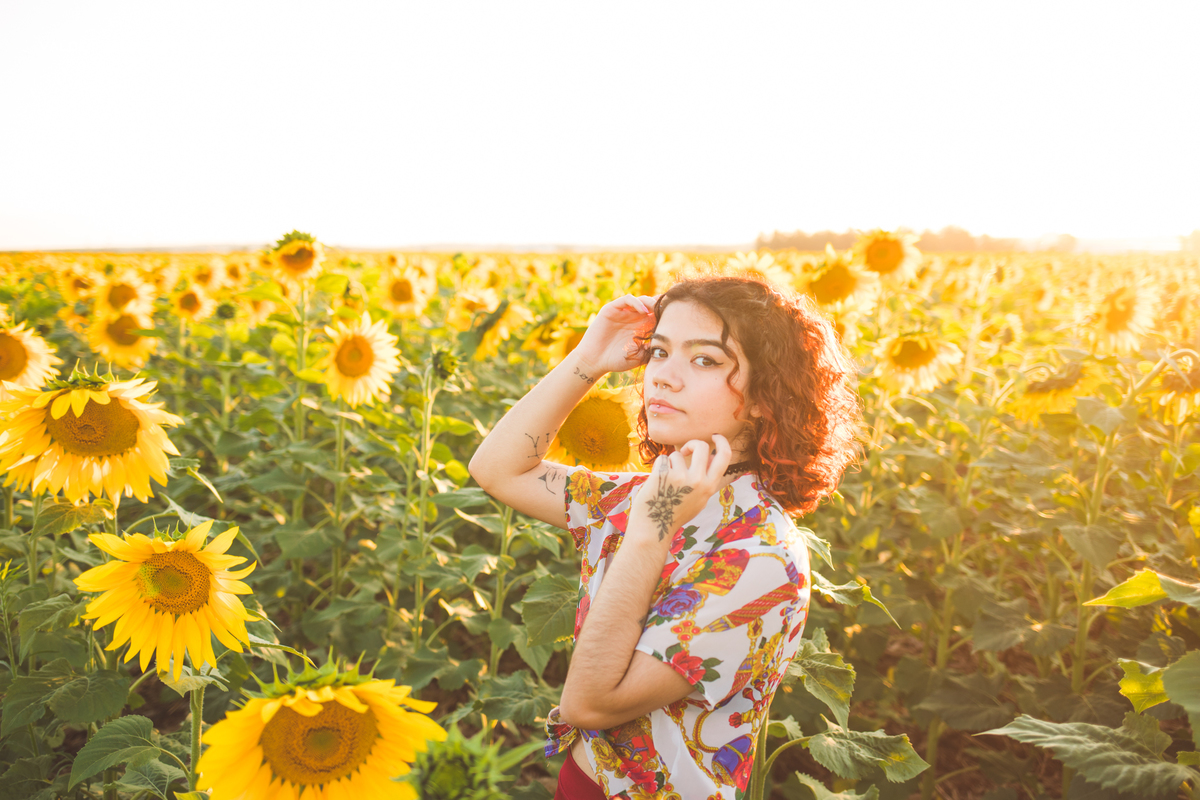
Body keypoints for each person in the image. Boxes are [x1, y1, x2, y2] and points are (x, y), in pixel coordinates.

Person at [468, 274, 861, 799]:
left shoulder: (760, 556)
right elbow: (499, 469)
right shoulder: (646, 496)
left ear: (767, 396)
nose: (662, 378)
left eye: (704, 360)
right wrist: (590, 357)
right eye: (658, 351)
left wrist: (653, 527)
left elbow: (589, 704)